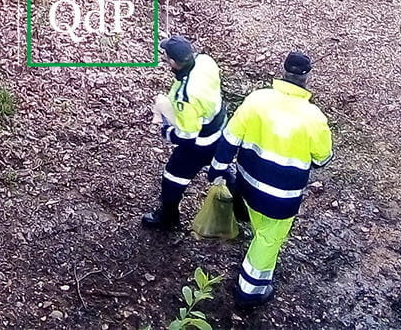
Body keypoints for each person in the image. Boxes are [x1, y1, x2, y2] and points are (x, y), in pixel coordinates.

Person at [207, 52, 332, 309]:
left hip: (248, 184)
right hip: (281, 198)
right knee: (268, 241)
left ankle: (256, 271)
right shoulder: (314, 118)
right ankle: (249, 291)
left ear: (283, 71)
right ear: (307, 77)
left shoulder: (257, 100)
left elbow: (230, 137)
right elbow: (322, 158)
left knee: (260, 228)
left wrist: (217, 169)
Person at [142, 35, 225, 230]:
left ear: (173, 62)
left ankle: (167, 218)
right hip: (219, 128)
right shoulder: (205, 61)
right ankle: (240, 206)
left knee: (173, 177)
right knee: (220, 170)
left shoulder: (186, 96)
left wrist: (167, 131)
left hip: (201, 143)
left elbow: (187, 137)